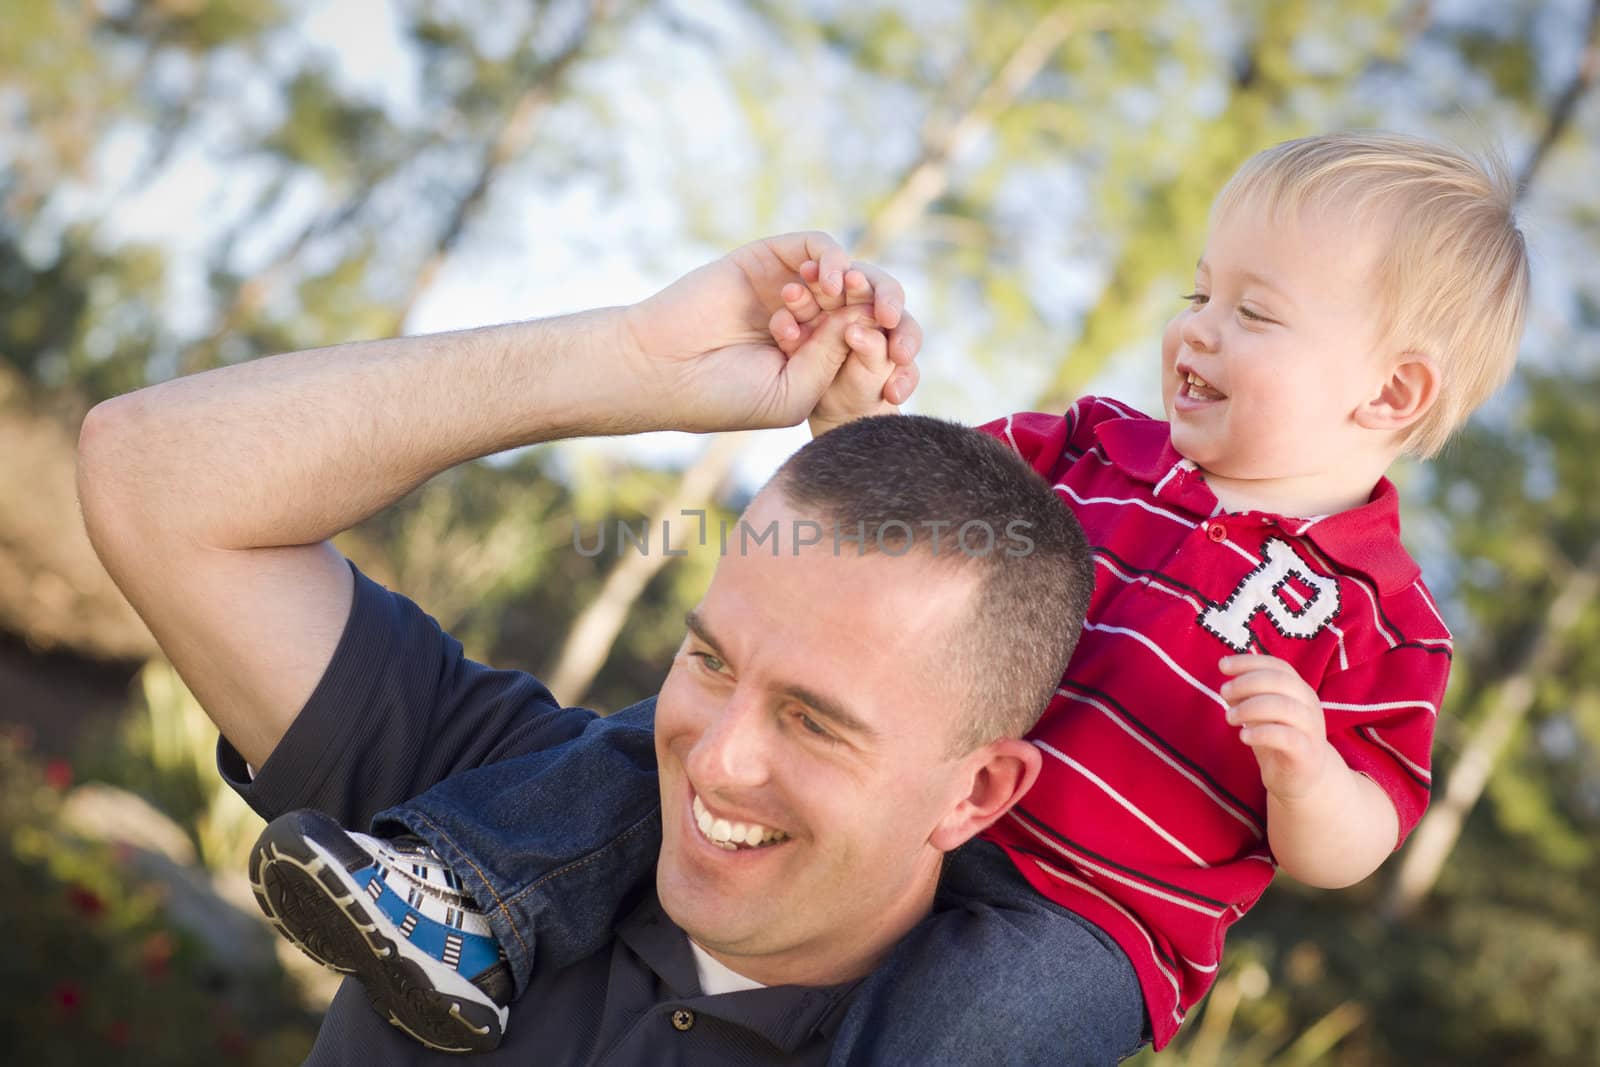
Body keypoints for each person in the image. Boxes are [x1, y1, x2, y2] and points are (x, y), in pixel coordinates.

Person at [260, 130, 1532, 1062]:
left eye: (1251, 311)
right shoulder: (1095, 444)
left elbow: (1357, 841)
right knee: (657, 742)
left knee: (974, 1031)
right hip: (891, 805)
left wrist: (1306, 772)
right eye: (1198, 289)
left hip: (1086, 920)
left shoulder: (1379, 612)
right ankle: (467, 901)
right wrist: (855, 409)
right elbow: (905, 505)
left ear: (1392, 394)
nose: (1193, 327)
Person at [75, 233, 1116, 1064]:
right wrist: (630, 360)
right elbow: (152, 475)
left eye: (812, 719)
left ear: (975, 792)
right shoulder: (488, 819)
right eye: (709, 661)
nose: (713, 759)